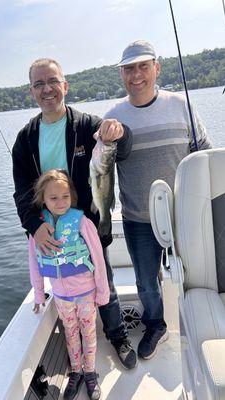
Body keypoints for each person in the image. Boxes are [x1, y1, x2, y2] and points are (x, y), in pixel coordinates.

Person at [12, 58, 137, 369]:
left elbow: (122, 148)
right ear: (32, 92)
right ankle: (75, 346)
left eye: (52, 81)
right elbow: (22, 192)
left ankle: (117, 334)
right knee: (63, 284)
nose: (47, 89)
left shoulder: (85, 125)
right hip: (50, 230)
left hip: (88, 226)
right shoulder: (25, 140)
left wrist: (117, 132)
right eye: (39, 84)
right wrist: (33, 227)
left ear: (65, 86)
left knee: (101, 277)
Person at [104, 40, 212, 360]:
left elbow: (204, 153)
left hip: (184, 213)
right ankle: (155, 324)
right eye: (128, 69)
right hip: (137, 217)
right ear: (122, 75)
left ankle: (203, 324)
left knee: (197, 273)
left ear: (156, 68)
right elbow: (99, 168)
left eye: (143, 66)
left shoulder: (181, 105)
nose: (136, 75)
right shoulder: (112, 117)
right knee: (145, 282)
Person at [29, 169, 109, 400]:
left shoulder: (82, 222)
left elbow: (98, 259)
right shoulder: (39, 229)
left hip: (86, 293)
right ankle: (76, 372)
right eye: (53, 198)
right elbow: (34, 264)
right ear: (42, 199)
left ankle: (91, 373)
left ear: (72, 196)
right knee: (71, 334)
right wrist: (38, 295)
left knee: (89, 333)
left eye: (65, 196)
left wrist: (103, 292)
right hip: (61, 296)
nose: (60, 202)